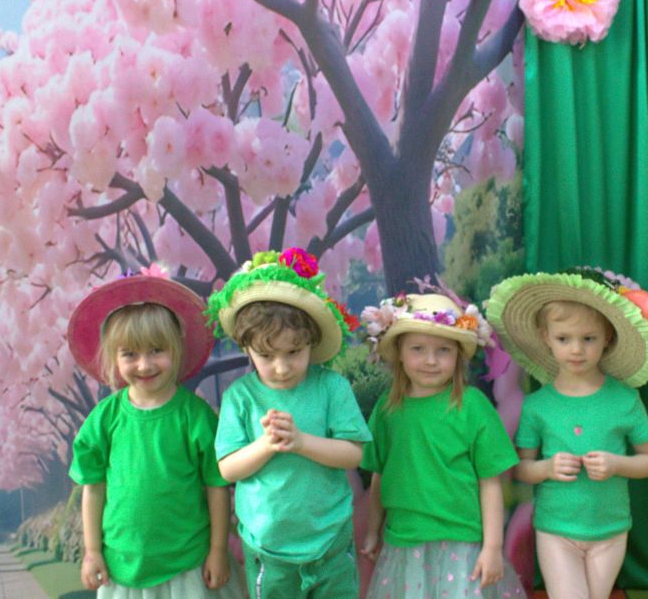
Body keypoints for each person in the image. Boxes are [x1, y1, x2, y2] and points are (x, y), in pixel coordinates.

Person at [486, 268, 648, 599]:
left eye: (588, 339)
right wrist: (548, 468)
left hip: (611, 530)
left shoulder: (624, 399)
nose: (576, 350)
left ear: (607, 337)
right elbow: (522, 469)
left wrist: (617, 464)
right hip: (556, 530)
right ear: (546, 337)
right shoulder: (537, 406)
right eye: (563, 339)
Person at [67, 268, 245, 598]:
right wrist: (92, 551)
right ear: (114, 356)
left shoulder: (194, 416)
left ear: (176, 349)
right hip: (123, 567)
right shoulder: (105, 419)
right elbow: (94, 488)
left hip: (188, 566)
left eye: (156, 351)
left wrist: (218, 550)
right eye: (130, 354)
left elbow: (216, 486)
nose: (144, 365)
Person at [208, 247, 370, 599]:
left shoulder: (331, 387)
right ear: (246, 348)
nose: (281, 367)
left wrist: (300, 442)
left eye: (294, 352)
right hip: (268, 547)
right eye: (266, 355)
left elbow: (353, 454)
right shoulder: (240, 397)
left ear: (311, 340)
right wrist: (266, 445)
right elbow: (228, 469)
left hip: (329, 539)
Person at [359, 292, 527, 598]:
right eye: (418, 349)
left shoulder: (472, 406)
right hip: (403, 543)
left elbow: (490, 482)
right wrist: (372, 530)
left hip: (461, 544)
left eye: (443, 350)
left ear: (458, 356)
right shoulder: (388, 408)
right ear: (399, 352)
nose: (430, 360)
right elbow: (379, 475)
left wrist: (492, 547)